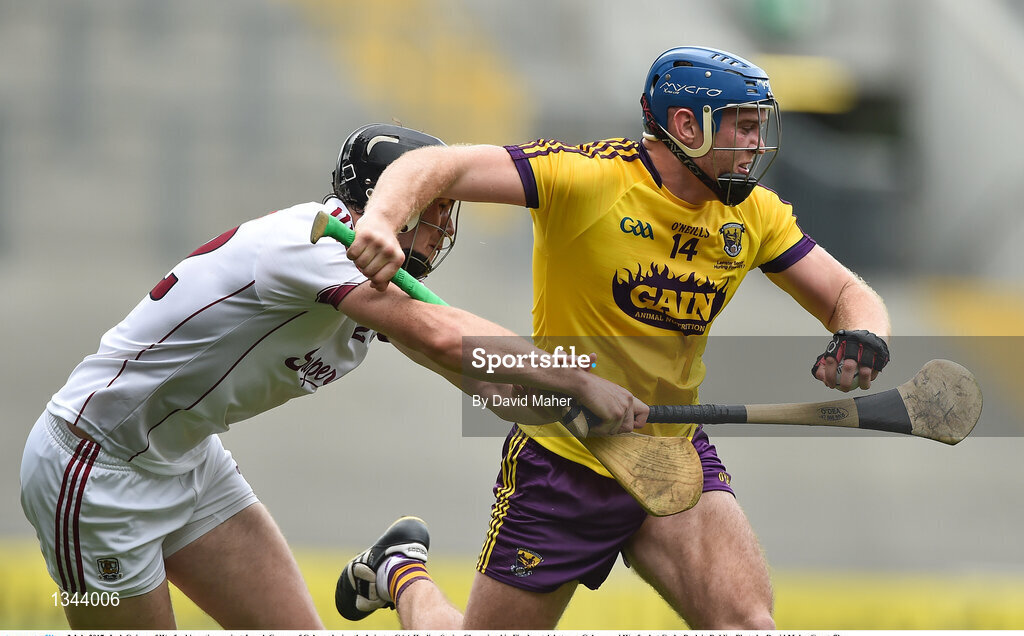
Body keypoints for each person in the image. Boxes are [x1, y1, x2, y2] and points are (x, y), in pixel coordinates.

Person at [335, 47, 892, 629]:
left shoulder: (756, 213)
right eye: (744, 125)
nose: (757, 143)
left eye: (759, 126)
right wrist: (380, 219)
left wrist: (861, 335)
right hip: (564, 462)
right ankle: (401, 571)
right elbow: (440, 166)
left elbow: (844, 293)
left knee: (747, 626)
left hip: (671, 453)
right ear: (686, 126)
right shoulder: (586, 177)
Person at [18, 123, 647, 630]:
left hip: (187, 462)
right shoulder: (315, 241)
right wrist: (575, 377)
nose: (444, 229)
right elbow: (441, 332)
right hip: (96, 466)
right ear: (381, 198)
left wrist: (572, 414)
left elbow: (476, 374)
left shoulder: (373, 283)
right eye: (434, 211)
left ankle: (392, 570)